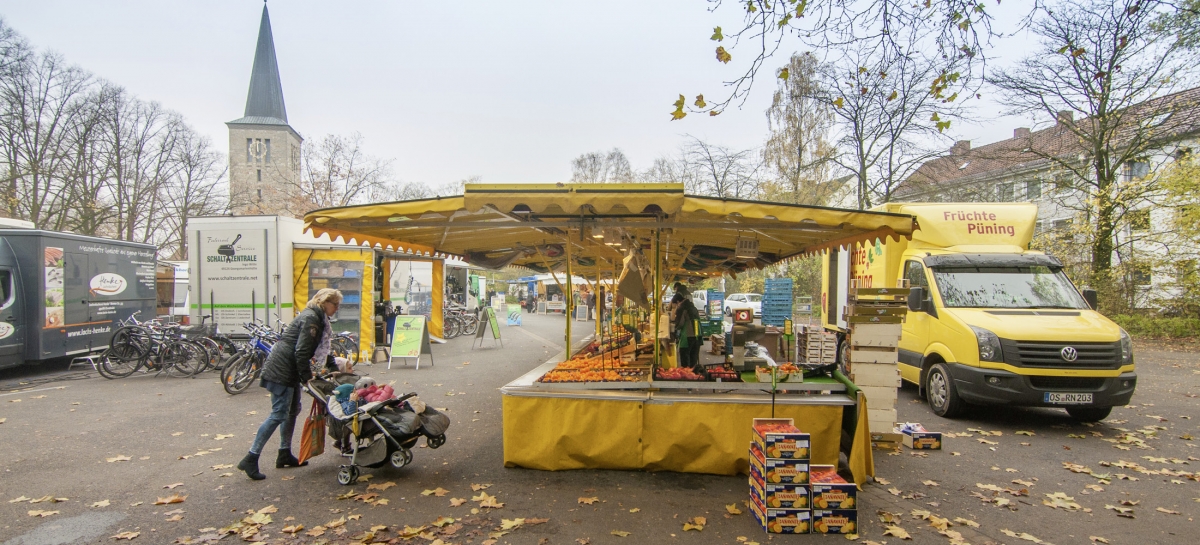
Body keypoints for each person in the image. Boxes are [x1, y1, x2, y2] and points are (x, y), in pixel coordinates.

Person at [238, 288, 343, 480]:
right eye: (334, 304)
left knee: (293, 410)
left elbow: (323, 347)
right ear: (324, 302)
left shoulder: (319, 319)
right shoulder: (312, 318)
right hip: (282, 369)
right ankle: (251, 457)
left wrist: (332, 366)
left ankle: (284, 452)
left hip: (289, 368)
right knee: (278, 414)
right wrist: (306, 377)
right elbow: (301, 351)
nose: (337, 307)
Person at [672, 292, 702, 373]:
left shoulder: (682, 308)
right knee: (694, 358)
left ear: (678, 302)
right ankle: (694, 375)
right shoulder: (693, 307)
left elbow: (680, 323)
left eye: (676, 304)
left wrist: (674, 327)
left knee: (685, 356)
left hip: (688, 335)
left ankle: (686, 376)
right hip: (697, 334)